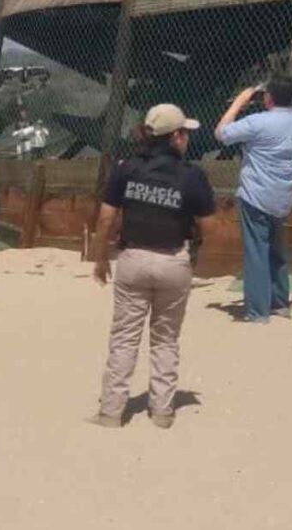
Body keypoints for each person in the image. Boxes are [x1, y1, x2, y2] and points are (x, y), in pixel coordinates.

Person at [90, 104, 216, 429]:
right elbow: (210, 226)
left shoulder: (126, 169)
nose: (187, 138)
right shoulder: (192, 176)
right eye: (185, 132)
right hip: (173, 261)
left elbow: (106, 218)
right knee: (165, 338)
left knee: (124, 338)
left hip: (132, 259)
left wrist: (101, 257)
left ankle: (111, 412)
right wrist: (195, 250)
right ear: (175, 137)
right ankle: (162, 412)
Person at [215, 75, 292, 323]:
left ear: (268, 98)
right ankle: (280, 302)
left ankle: (258, 311)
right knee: (276, 249)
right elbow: (290, 118)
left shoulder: (256, 122)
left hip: (256, 195)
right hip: (283, 196)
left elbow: (221, 133)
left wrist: (240, 100)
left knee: (256, 251)